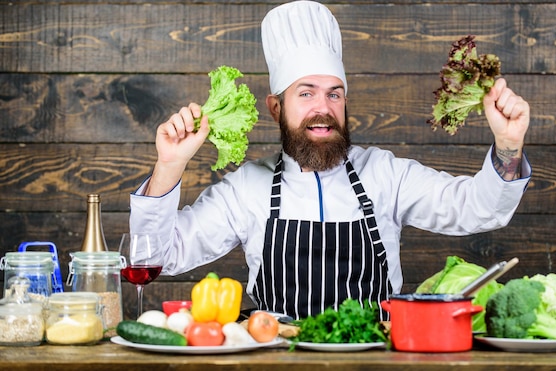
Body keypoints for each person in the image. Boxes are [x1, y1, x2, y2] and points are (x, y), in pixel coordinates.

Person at [129, 0, 531, 320]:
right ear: (275, 107)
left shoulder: (386, 174)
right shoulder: (246, 188)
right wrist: (170, 165)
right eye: (306, 93)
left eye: (334, 93)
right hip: (277, 359)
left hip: (373, 358)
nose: (323, 107)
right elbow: (156, 257)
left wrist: (508, 145)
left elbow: (481, 210)